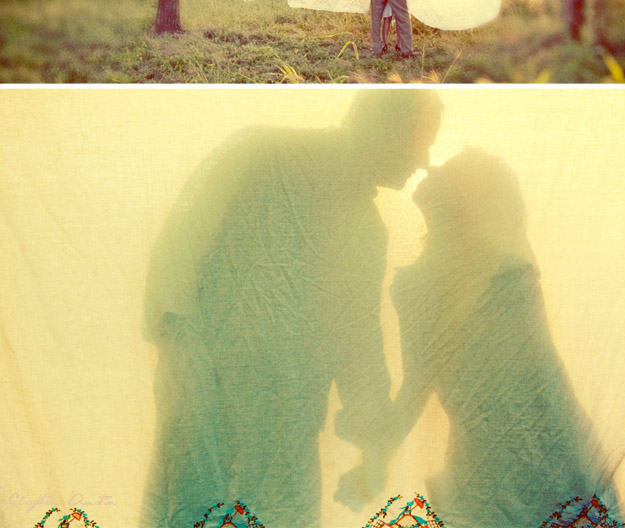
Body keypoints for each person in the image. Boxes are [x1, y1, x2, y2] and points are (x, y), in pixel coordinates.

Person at [141, 90, 443, 528]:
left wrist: (376, 452)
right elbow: (176, 255)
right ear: (387, 130)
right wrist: (186, 371)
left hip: (284, 435)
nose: (426, 161)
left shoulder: (366, 231)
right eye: (422, 140)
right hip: (206, 405)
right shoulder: (260, 152)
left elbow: (359, 346)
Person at [386, 149, 620, 528]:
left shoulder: (476, 282)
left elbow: (415, 390)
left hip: (510, 470)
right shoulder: (506, 279)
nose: (431, 171)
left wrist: (373, 439)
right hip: (540, 464)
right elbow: (547, 391)